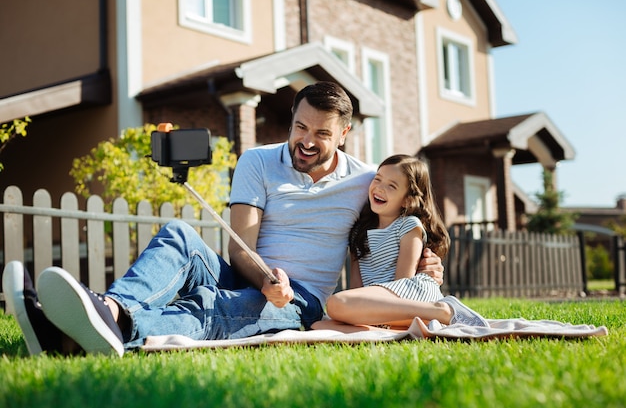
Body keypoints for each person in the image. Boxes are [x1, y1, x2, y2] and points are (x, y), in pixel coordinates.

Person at [3, 81, 444, 356]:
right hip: (252, 273)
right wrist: (267, 279)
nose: (306, 142)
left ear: (344, 134)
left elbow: (410, 211)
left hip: (303, 300)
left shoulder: (367, 180)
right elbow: (240, 246)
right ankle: (111, 309)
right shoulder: (256, 161)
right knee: (178, 233)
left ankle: (102, 328)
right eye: (300, 128)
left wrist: (428, 262)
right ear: (291, 120)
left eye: (322, 134)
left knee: (216, 307)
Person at [314, 154, 488, 333]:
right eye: (378, 179)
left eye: (391, 186)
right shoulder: (358, 233)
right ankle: (402, 326)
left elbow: (403, 283)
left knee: (336, 304)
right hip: (383, 304)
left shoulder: (409, 226)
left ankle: (443, 311)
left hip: (411, 295)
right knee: (319, 325)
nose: (379, 188)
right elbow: (357, 289)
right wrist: (359, 313)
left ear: (407, 199)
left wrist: (362, 308)